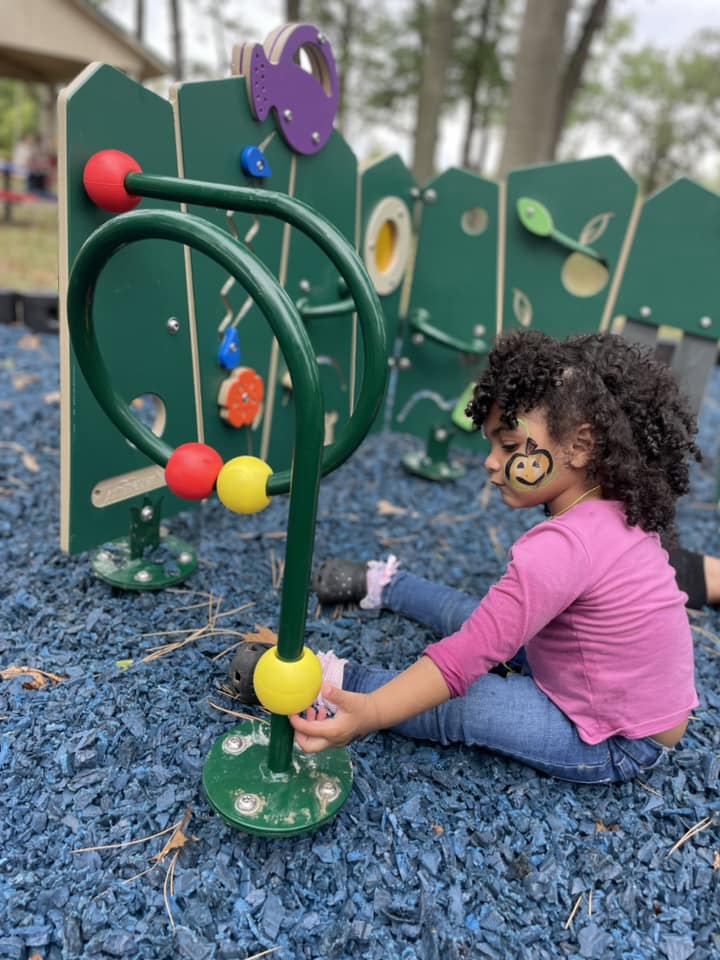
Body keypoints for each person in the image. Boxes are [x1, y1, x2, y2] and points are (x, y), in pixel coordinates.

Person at [231, 330, 704, 784]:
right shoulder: (611, 509)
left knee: (467, 707)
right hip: (587, 674)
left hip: (613, 738)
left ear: (579, 447)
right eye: (493, 444)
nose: (490, 461)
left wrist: (372, 715)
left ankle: (335, 685)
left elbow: (462, 661)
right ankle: (387, 584)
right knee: (480, 620)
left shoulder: (563, 550)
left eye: (510, 445)